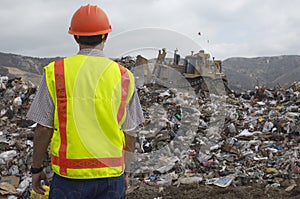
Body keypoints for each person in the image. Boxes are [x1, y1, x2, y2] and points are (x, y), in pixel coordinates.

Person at [27, 4, 144, 199]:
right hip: (111, 177)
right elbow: (130, 133)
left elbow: (43, 129)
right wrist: (126, 172)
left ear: (75, 36)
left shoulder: (56, 72)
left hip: (68, 177)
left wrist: (36, 168)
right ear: (105, 36)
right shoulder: (123, 76)